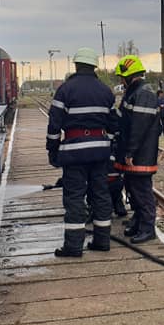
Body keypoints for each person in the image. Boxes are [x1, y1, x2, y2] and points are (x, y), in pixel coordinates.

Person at [46, 47, 117, 257]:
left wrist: (53, 151)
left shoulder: (65, 90)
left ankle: (74, 247)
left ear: (76, 65)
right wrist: (109, 149)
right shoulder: (106, 91)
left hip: (74, 152)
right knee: (101, 195)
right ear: (94, 66)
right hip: (100, 152)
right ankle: (102, 241)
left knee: (75, 197)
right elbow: (114, 125)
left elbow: (54, 125)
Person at [114, 55, 161, 243]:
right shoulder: (135, 92)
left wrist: (130, 152)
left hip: (140, 154)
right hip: (135, 153)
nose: (120, 81)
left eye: (121, 77)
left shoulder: (143, 94)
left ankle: (148, 227)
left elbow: (138, 126)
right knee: (133, 188)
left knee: (142, 191)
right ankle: (139, 221)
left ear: (128, 75)